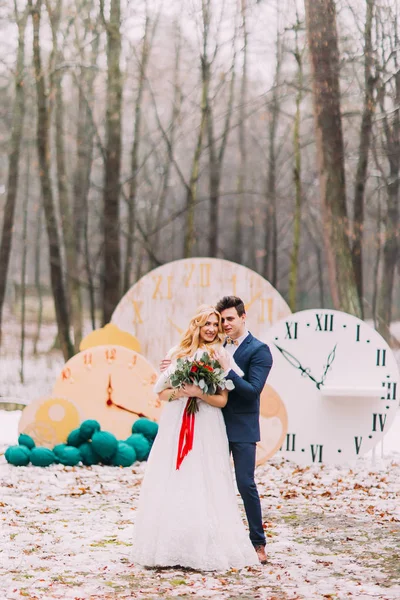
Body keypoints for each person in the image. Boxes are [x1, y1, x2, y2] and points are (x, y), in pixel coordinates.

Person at [131, 305, 259, 571]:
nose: (212, 328)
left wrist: (199, 393)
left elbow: (223, 400)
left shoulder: (221, 355)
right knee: (175, 477)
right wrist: (182, 392)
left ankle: (205, 544)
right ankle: (170, 544)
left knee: (206, 478)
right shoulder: (177, 354)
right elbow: (161, 393)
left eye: (215, 324)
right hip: (177, 424)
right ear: (197, 327)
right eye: (206, 324)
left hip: (208, 425)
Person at [214, 295, 273, 565]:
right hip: (213, 422)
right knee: (212, 482)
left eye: (229, 319)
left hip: (243, 425)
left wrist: (229, 370)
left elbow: (252, 392)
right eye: (221, 319)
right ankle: (214, 538)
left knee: (244, 483)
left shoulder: (259, 350)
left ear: (242, 317)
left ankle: (258, 543)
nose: (225, 324)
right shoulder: (216, 345)